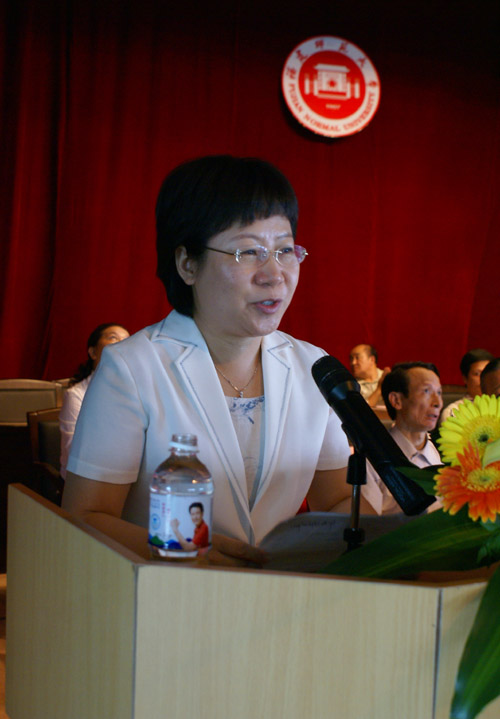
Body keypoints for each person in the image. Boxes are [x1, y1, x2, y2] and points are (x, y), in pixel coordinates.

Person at [62, 155, 351, 566]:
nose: (274, 274)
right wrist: (181, 554)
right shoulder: (132, 368)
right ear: (187, 264)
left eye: (285, 250)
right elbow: (85, 517)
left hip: (281, 595)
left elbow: (337, 500)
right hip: (162, 594)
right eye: (248, 252)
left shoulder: (313, 367)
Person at [360, 362, 443, 515]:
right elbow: (369, 524)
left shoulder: (435, 451)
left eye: (439, 393)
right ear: (396, 401)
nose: (437, 403)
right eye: (426, 391)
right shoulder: (371, 459)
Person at [59, 323, 130, 478]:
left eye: (126, 340)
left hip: (125, 472)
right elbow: (74, 451)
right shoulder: (76, 395)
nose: (122, 344)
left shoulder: (134, 392)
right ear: (93, 352)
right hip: (85, 476)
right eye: (113, 338)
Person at [440, 348, 494, 421]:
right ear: (465, 378)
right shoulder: (454, 411)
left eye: (486, 373)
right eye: (477, 374)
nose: (483, 378)